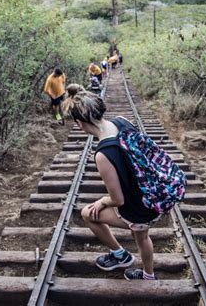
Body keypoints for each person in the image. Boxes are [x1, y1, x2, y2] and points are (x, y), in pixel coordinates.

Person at [64, 84, 160, 281]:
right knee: (142, 237)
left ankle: (120, 255)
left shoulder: (103, 154)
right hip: (151, 195)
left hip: (137, 208)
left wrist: (102, 201)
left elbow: (117, 200)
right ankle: (148, 275)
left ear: (80, 123)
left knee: (88, 214)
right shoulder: (122, 121)